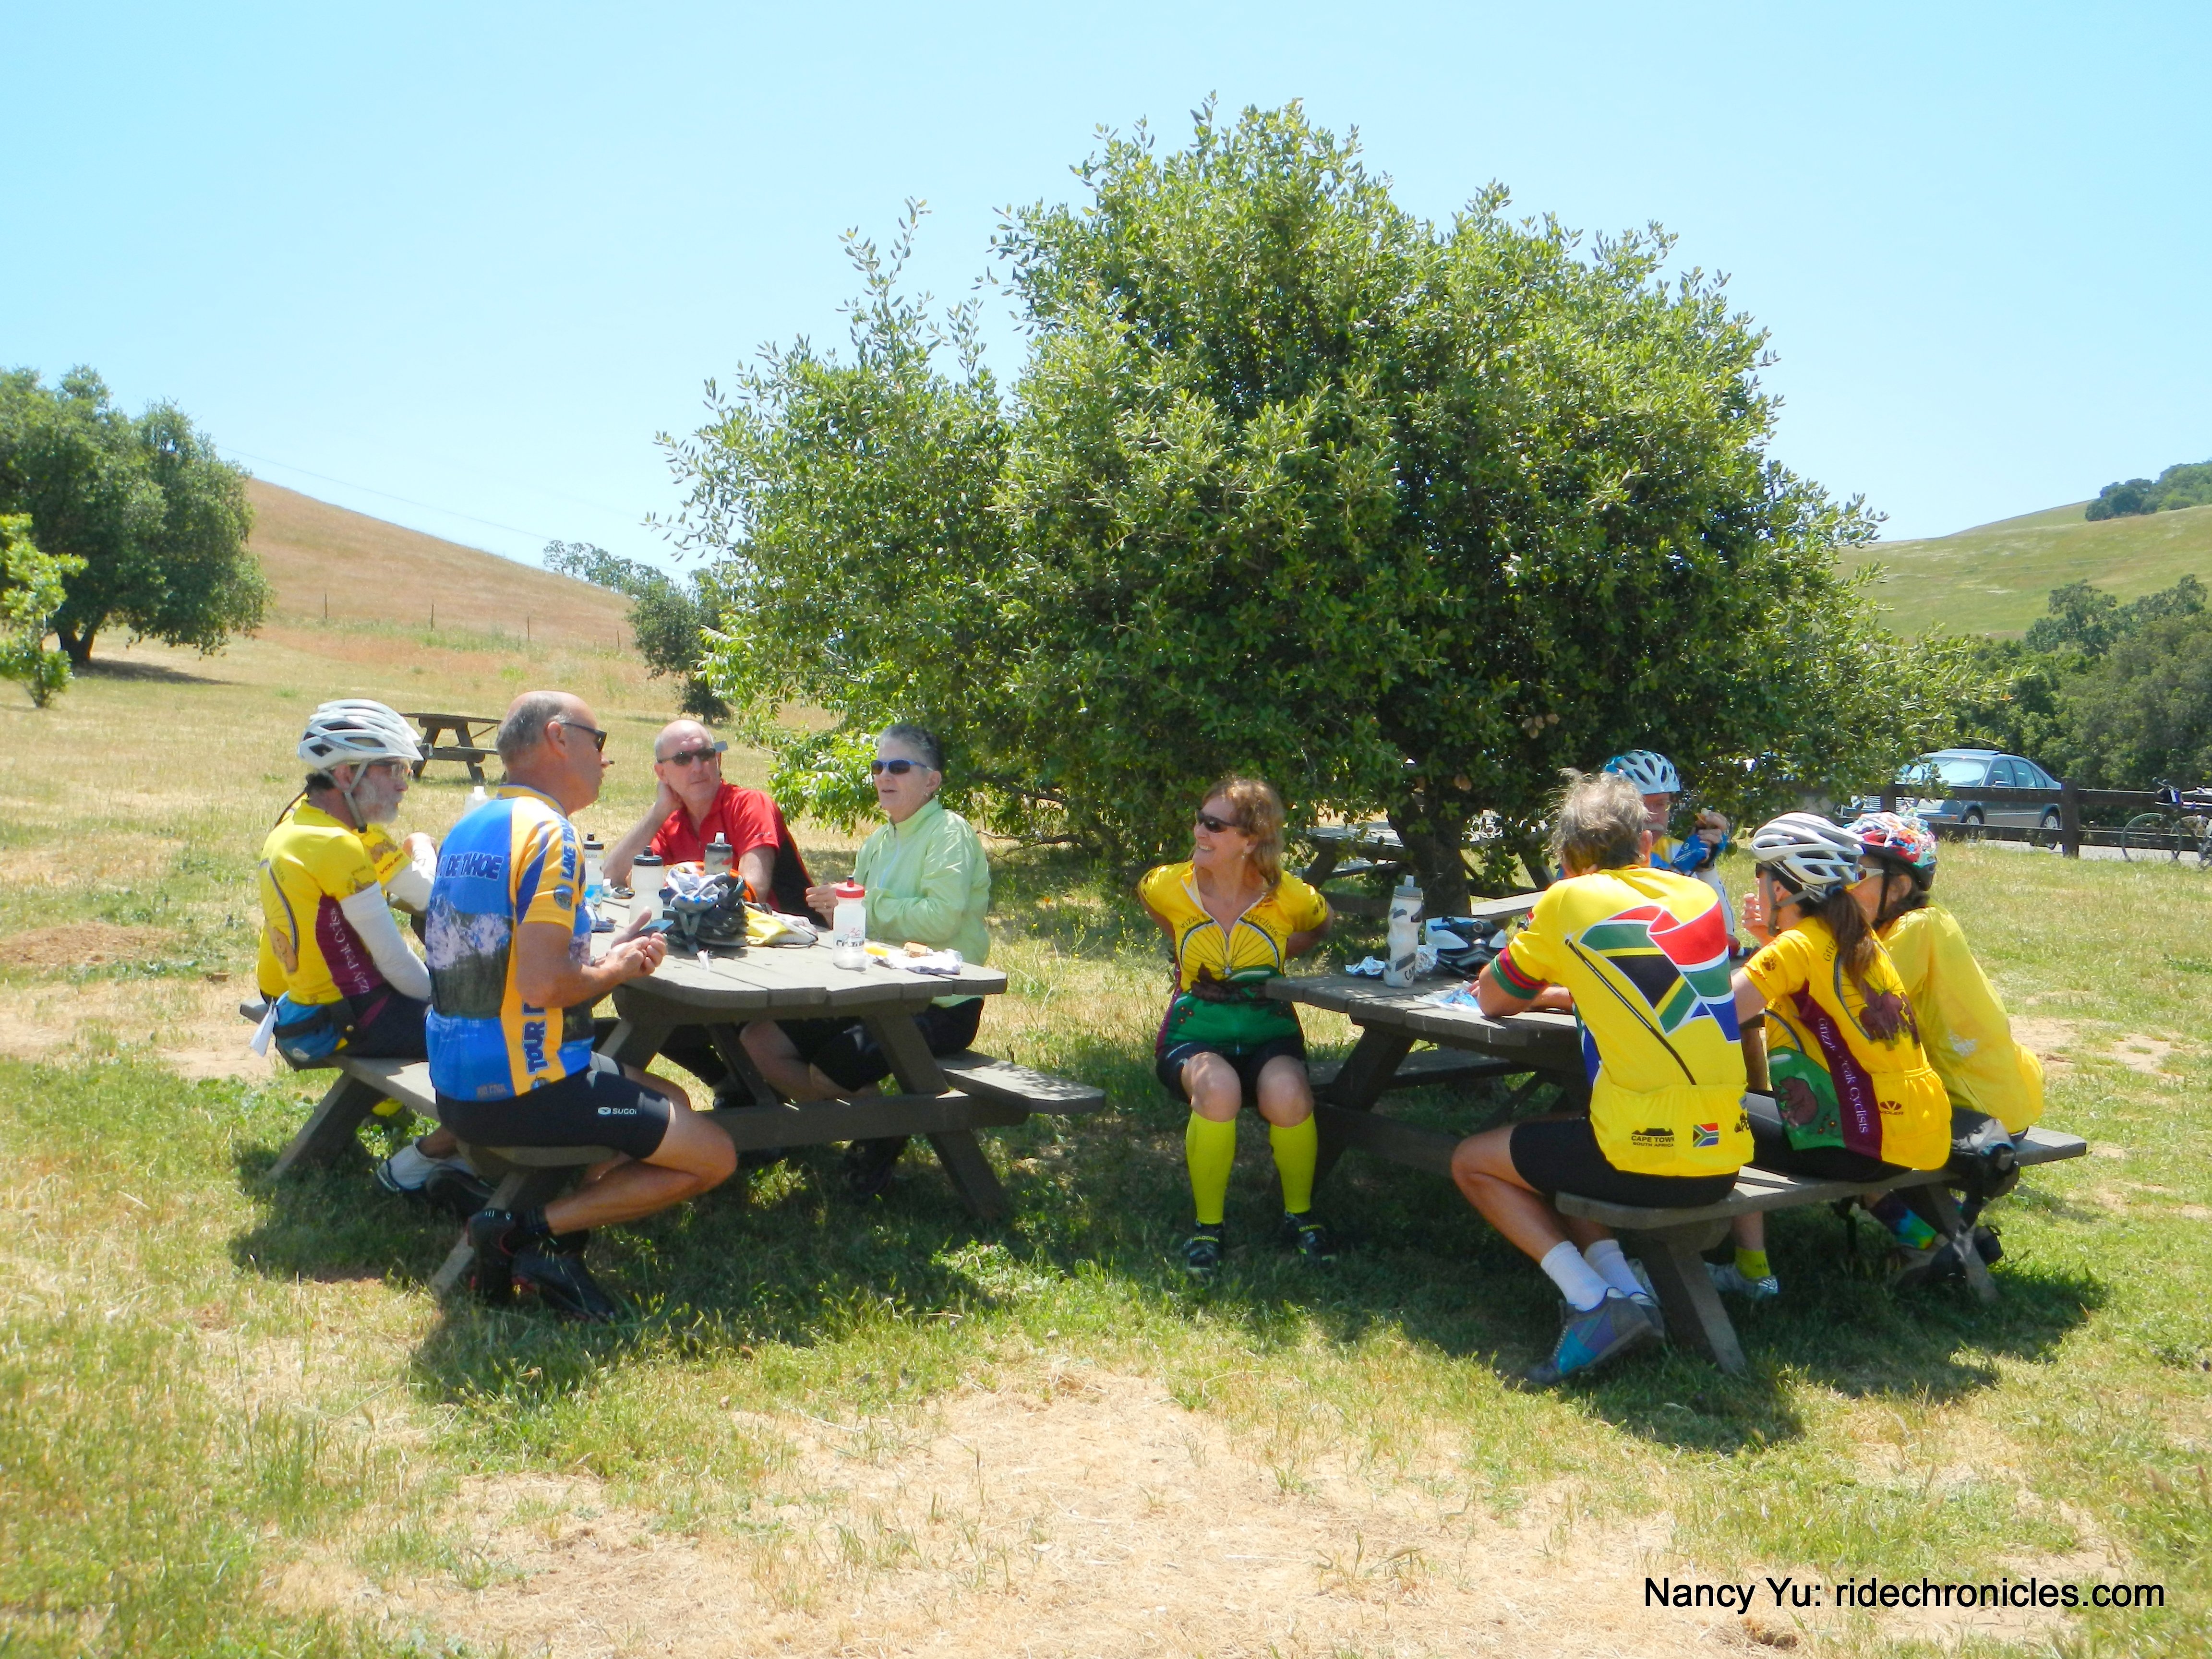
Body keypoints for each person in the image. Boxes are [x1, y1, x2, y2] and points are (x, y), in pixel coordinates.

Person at [427, 690, 736, 1320]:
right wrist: (616, 968)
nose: (604, 760)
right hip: (526, 1088)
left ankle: (561, 1253)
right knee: (715, 1157)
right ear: (558, 738)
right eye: (599, 742)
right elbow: (544, 987)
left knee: (672, 1099)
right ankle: (519, 1233)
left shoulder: (474, 825)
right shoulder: (551, 834)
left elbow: (511, 959)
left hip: (459, 1082)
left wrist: (607, 954)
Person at [1449, 771, 1750, 1385]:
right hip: (1723, 1153)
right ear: (1646, 844)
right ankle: (1628, 1297)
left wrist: (1534, 989)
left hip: (1644, 1156)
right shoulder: (1696, 899)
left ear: (1566, 857)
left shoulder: (1567, 899)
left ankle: (1591, 1303)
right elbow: (1643, 979)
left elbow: (1494, 998)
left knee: (1472, 1161)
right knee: (1567, 1131)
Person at [739, 723, 991, 1200]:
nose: (884, 777)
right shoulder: (877, 842)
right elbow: (861, 927)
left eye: (899, 767)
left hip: (940, 1003)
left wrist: (860, 903)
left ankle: (879, 1134)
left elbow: (940, 919)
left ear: (932, 781)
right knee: (759, 1041)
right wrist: (833, 912)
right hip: (873, 992)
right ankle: (878, 1129)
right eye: (878, 767)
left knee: (831, 1069)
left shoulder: (949, 833)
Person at [1708, 813, 1951, 1301]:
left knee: (1719, 1114)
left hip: (1862, 1144)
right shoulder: (1858, 935)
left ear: (1781, 888)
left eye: (1760, 877)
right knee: (1766, 1105)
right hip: (1915, 1130)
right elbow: (1815, 984)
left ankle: (1753, 1275)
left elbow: (1712, 1017)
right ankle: (1918, 1236)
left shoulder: (1797, 946)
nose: (1756, 887)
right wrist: (1770, 938)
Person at [254, 699, 483, 1212]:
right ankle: (430, 1162)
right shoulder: (338, 846)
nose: (405, 784)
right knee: (498, 1037)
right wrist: (449, 999)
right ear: (345, 775)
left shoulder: (296, 828)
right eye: (392, 769)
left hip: (314, 1009)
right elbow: (395, 962)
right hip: (353, 1017)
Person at [1139, 777, 1335, 1277]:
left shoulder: (1289, 895)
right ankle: (1208, 1227)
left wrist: (1283, 952)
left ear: (1251, 840)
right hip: (1195, 1030)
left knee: (1289, 1093)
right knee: (1219, 1088)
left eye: (1214, 825)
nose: (1198, 832)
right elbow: (1150, 901)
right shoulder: (1168, 884)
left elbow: (1321, 924)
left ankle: (1300, 1216)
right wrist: (1183, 945)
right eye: (1200, 820)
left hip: (1268, 1028)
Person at [1845, 811, 2044, 1138]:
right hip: (1997, 1100)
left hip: (1976, 1113)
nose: (1844, 886)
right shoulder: (1919, 919)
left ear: (1898, 887)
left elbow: (1851, 1007)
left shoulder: (1917, 927)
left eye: (1857, 873)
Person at [603, 718, 812, 915]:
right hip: (699, 932)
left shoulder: (749, 804)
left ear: (718, 760)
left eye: (705, 755)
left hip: (773, 934)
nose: (697, 768)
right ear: (662, 774)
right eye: (683, 759)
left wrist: (678, 882)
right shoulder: (669, 820)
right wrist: (659, 810)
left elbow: (753, 890)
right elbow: (612, 878)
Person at [1602, 749, 1739, 950]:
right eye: (1640, 805)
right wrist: (1677, 872)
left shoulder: (1676, 849)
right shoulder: (1590, 853)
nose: (1652, 816)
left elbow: (1726, 938)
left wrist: (1706, 869)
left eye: (1661, 804)